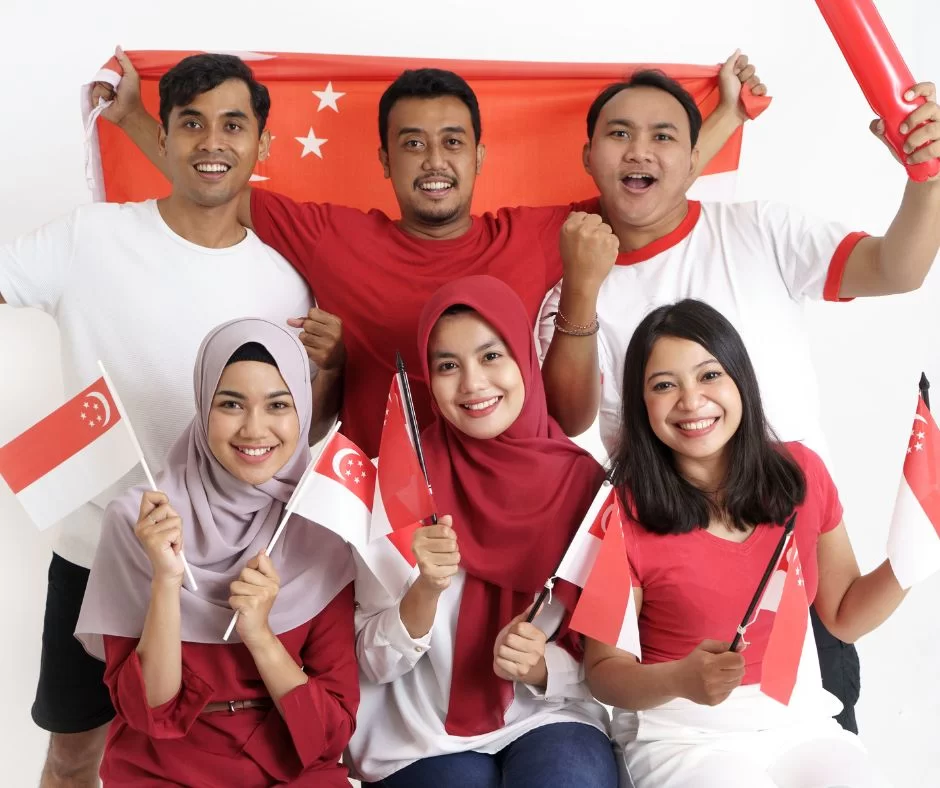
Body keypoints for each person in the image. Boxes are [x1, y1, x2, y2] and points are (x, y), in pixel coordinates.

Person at [95, 48, 766, 457]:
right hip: (378, 510)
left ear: (479, 155)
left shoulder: (537, 233)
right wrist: (129, 117)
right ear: (386, 160)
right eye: (413, 143)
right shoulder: (337, 238)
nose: (434, 159)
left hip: (507, 499)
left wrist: (726, 117)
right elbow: (212, 180)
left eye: (452, 141)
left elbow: (643, 186)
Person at [538, 69, 940, 731]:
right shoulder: (570, 291)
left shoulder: (758, 229)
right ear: (588, 157)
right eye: (619, 134)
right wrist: (581, 290)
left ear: (697, 158)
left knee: (820, 745)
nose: (639, 151)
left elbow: (896, 268)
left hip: (794, 541)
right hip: (673, 576)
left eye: (663, 136)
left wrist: (924, 180)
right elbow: (569, 418)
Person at [0, 53, 345, 786]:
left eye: (232, 126)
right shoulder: (88, 238)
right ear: (168, 134)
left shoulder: (288, 272)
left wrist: (333, 369)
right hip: (99, 547)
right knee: (73, 753)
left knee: (216, 754)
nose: (211, 143)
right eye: (190, 125)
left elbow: (296, 425)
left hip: (238, 568)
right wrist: (129, 118)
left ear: (264, 145)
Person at [583, 299, 907, 788]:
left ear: (741, 381)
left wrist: (915, 552)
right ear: (641, 404)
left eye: (709, 376)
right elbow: (604, 670)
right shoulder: (623, 512)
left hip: (798, 720)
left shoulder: (803, 472)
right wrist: (678, 679)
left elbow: (844, 614)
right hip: (680, 734)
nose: (691, 401)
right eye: (664, 385)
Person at [347, 276, 617, 787]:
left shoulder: (589, 490)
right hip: (419, 735)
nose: (472, 384)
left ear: (525, 359)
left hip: (548, 713)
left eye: (491, 356)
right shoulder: (397, 480)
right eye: (448, 365)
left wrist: (544, 668)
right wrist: (424, 591)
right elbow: (370, 663)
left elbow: (612, 660)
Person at [75, 317, 358, 787]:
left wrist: (261, 636)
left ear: (303, 412)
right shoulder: (140, 520)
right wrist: (166, 580)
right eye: (230, 404)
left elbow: (331, 733)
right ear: (203, 406)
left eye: (277, 405)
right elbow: (150, 712)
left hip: (288, 756)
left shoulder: (323, 525)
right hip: (165, 764)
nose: (254, 428)